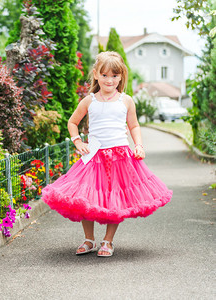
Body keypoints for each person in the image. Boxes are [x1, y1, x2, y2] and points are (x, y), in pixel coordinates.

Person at [41, 51, 172, 257]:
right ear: (95, 75)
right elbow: (72, 122)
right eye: (104, 75)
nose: (109, 80)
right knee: (85, 197)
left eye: (114, 76)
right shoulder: (89, 101)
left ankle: (108, 241)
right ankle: (88, 239)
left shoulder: (126, 101)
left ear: (121, 77)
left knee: (114, 199)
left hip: (120, 158)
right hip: (94, 157)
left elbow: (134, 125)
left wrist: (139, 145)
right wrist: (77, 141)